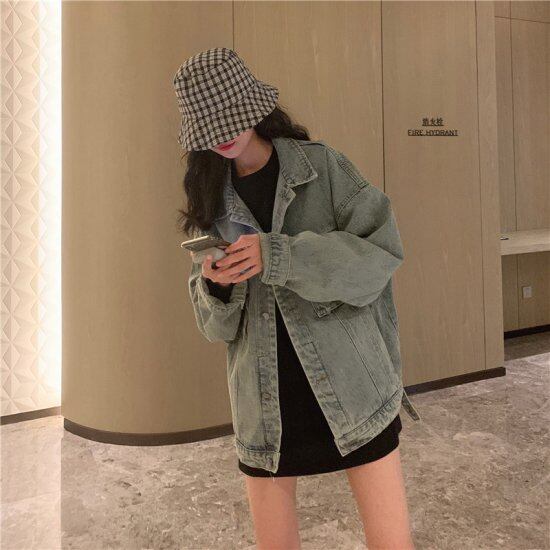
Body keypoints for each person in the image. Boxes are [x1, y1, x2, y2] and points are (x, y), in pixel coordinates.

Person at [173, 47, 418, 550]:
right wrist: (217, 285)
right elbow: (215, 329)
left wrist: (280, 256)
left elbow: (380, 258)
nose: (223, 135)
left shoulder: (322, 168)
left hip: (353, 386)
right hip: (265, 405)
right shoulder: (210, 197)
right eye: (210, 128)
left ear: (253, 106)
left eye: (231, 119)